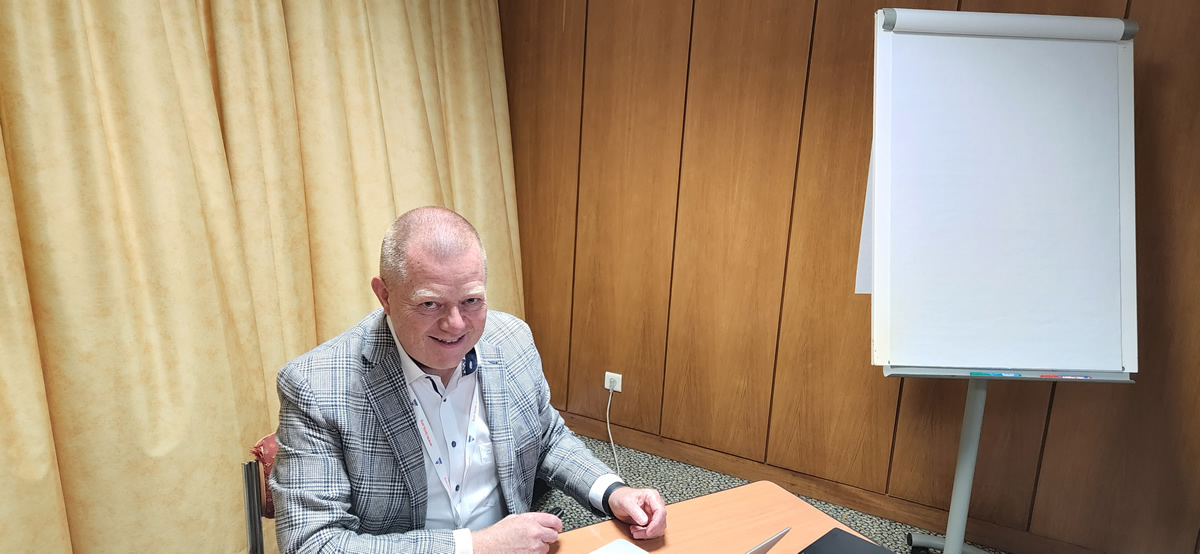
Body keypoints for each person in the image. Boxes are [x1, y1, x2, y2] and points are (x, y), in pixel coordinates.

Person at [271, 206, 667, 553]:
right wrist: (475, 547)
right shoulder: (317, 387)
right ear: (385, 296)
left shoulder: (512, 341)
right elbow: (311, 543)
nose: (456, 325)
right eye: (430, 304)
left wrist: (612, 491)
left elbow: (547, 437)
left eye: (472, 301)